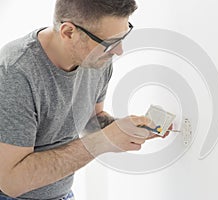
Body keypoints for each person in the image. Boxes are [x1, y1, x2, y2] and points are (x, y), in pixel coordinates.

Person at [0, 0, 169, 199]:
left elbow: (92, 121)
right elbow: (11, 182)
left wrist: (123, 130)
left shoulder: (98, 60)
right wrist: (102, 142)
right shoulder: (15, 73)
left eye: (122, 37)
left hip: (63, 194)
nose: (119, 51)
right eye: (110, 43)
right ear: (68, 32)